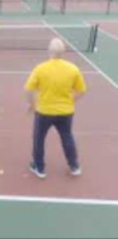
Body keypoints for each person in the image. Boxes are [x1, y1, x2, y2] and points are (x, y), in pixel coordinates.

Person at [24, 38, 87, 179]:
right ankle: (74, 166)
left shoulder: (40, 68)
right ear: (63, 52)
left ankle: (39, 168)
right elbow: (81, 90)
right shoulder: (73, 69)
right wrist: (70, 101)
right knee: (67, 136)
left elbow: (28, 89)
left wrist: (33, 104)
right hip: (66, 112)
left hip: (44, 112)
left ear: (49, 51)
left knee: (38, 138)